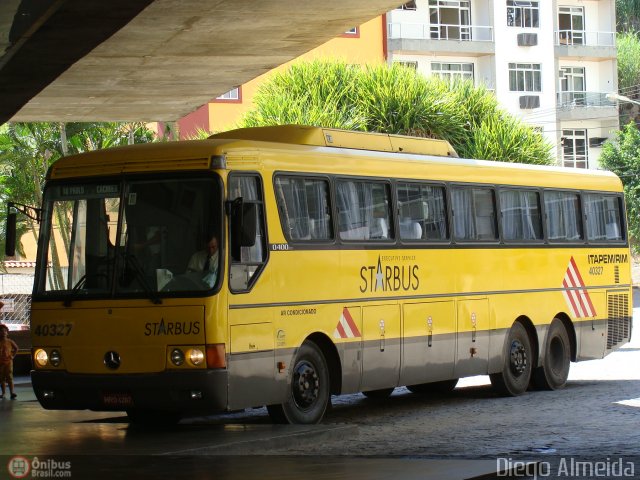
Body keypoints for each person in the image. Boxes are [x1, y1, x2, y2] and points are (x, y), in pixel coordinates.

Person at [0, 322, 18, 400]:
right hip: (0, 363)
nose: (3, 332)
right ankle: (3, 393)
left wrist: (13, 356)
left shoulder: (10, 341)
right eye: (1, 331)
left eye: (5, 331)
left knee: (9, 377)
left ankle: (12, 392)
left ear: (7, 332)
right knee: (1, 378)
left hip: (8, 362)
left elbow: (16, 348)